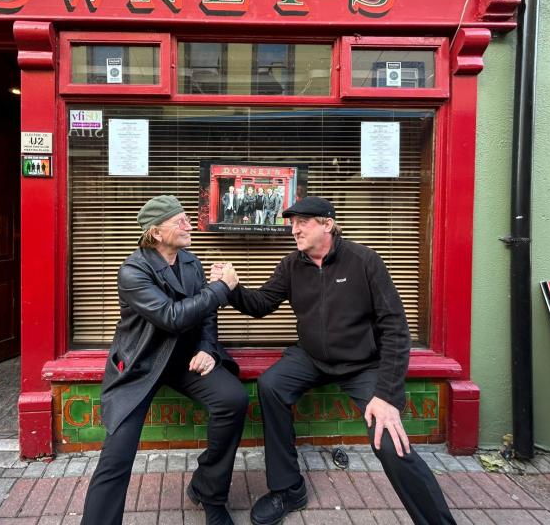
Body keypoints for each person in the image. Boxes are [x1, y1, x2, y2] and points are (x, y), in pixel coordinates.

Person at [211, 197, 456, 525]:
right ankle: (287, 488)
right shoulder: (291, 265)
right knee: (271, 385)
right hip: (310, 357)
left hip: (361, 364)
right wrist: (232, 288)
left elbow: (396, 330)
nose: (294, 229)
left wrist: (386, 396)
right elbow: (261, 304)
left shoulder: (364, 261)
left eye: (303, 222)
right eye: (292, 223)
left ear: (327, 224)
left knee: (387, 437)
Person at [82, 195, 247, 525]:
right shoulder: (132, 271)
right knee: (117, 456)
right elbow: (171, 316)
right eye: (180, 221)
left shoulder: (191, 261)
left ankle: (208, 491)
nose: (189, 225)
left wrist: (206, 348)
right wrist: (221, 288)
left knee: (234, 399)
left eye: (187, 218)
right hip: (141, 365)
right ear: (156, 233)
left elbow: (206, 316)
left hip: (185, 360)